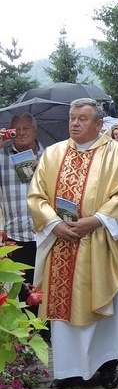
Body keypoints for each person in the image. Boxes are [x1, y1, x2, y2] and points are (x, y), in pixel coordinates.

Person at [27, 98, 118, 389]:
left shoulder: (116, 155)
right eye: (73, 118)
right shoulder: (53, 154)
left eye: (83, 119)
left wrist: (96, 220)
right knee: (64, 313)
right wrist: (54, 224)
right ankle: (68, 370)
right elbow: (36, 196)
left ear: (99, 124)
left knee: (104, 306)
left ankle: (107, 365)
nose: (75, 123)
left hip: (100, 242)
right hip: (61, 244)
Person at [0, 113, 44, 310]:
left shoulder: (50, 155)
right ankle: (30, 333)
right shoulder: (2, 157)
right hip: (16, 235)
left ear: (35, 131)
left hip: (47, 232)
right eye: (16, 130)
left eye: (26, 128)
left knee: (47, 284)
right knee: (23, 289)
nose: (21, 133)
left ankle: (51, 331)